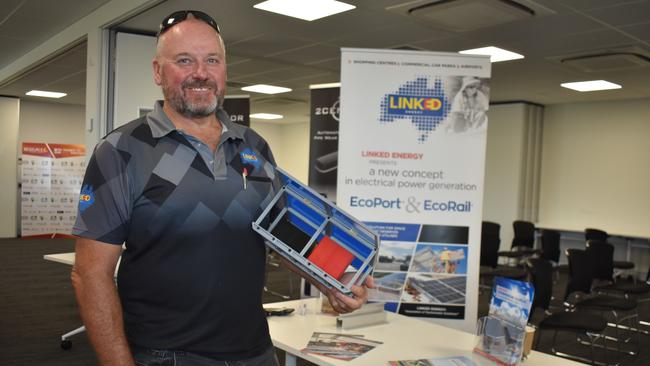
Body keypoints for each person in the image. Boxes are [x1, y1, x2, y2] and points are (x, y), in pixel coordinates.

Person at [71, 10, 373, 366]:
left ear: (224, 70)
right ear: (157, 71)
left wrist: (331, 281)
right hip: (166, 355)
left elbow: (286, 235)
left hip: (255, 350)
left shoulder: (253, 146)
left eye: (211, 60)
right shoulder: (122, 150)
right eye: (184, 60)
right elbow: (90, 274)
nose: (200, 72)